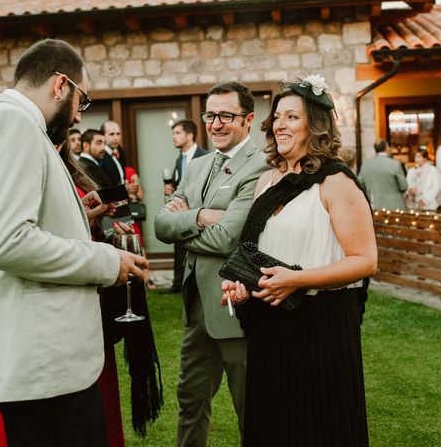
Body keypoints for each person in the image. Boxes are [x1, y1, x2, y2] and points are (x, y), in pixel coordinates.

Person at [0, 38, 148, 447]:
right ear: (61, 86)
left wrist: (81, 217)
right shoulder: (11, 125)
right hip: (41, 367)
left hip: (43, 367)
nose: (78, 115)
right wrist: (107, 261)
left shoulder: (12, 125)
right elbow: (7, 241)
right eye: (82, 100)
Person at [221, 75, 376, 447]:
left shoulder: (337, 182)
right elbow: (258, 251)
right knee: (276, 424)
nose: (280, 125)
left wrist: (298, 279)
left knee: (318, 424)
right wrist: (244, 285)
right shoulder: (268, 179)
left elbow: (366, 260)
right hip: (272, 324)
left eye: (292, 117)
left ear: (316, 125)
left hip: (320, 326)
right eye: (277, 117)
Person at [154, 82, 268, 446]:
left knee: (251, 409)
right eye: (210, 115)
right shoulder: (198, 165)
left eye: (226, 116)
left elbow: (228, 239)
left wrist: (183, 222)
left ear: (248, 119)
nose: (216, 124)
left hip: (235, 308)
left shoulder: (261, 166)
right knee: (190, 401)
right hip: (196, 308)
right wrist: (202, 216)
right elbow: (160, 226)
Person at [160, 119, 208, 294]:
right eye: (173, 133)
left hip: (198, 213)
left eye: (177, 133)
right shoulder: (180, 158)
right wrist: (171, 189)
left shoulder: (205, 156)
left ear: (190, 135)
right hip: (179, 212)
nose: (174, 137)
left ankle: (195, 282)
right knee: (179, 244)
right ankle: (178, 283)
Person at [357, 139, 407, 211]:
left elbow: (359, 185)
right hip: (394, 206)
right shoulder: (394, 164)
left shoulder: (365, 165)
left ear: (375, 149)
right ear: (387, 147)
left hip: (374, 205)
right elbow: (403, 186)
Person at [100, 120, 127, 186]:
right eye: (111, 134)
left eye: (118, 134)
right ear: (103, 136)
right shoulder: (101, 156)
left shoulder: (118, 155)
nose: (116, 138)